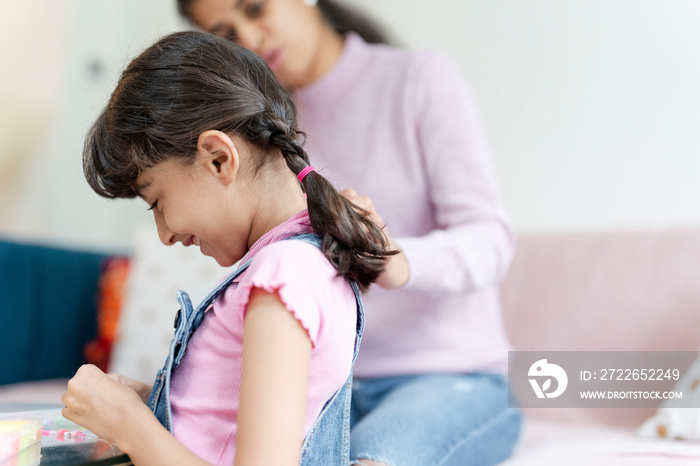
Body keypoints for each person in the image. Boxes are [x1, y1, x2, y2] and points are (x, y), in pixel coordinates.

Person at [176, 1, 522, 465]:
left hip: (451, 377)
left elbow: (490, 238)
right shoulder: (260, 133)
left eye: (256, 9)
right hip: (332, 385)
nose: (251, 38)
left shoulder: (418, 81)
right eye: (228, 33)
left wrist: (398, 262)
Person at [61, 30, 396, 466]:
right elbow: (224, 429)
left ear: (219, 157)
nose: (165, 234)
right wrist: (157, 402)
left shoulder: (286, 277)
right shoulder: (293, 266)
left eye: (158, 202)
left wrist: (129, 424)